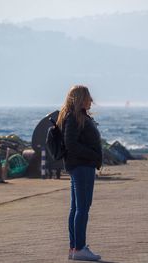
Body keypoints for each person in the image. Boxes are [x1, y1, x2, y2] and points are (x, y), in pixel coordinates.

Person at [57, 85, 103, 261]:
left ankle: (74, 248)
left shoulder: (77, 116)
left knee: (77, 207)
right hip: (82, 167)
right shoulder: (74, 118)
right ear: (80, 98)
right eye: (88, 97)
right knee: (82, 208)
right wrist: (92, 155)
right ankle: (79, 248)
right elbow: (71, 144)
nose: (91, 100)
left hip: (81, 166)